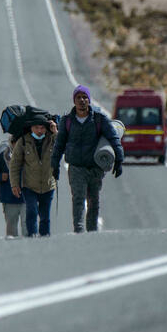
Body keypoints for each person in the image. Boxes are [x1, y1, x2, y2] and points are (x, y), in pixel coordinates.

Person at [50, 85, 124, 234]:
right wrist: (55, 165)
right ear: (74, 101)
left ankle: (92, 232)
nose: (82, 100)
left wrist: (119, 160)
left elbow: (113, 138)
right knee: (78, 199)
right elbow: (59, 144)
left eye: (85, 97)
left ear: (89, 100)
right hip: (76, 168)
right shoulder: (67, 121)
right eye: (79, 97)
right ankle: (79, 231)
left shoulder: (99, 119)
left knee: (94, 201)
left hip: (95, 168)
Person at [9, 117, 58, 237]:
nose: (39, 131)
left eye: (42, 128)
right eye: (36, 128)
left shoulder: (52, 140)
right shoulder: (23, 141)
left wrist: (55, 132)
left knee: (45, 215)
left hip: (48, 185)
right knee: (31, 211)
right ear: (31, 128)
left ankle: (45, 238)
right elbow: (15, 164)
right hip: (29, 186)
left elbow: (64, 147)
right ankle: (32, 236)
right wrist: (14, 184)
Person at [0, 136, 26, 237]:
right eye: (15, 143)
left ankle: (30, 250)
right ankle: (12, 250)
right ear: (11, 143)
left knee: (28, 229)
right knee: (11, 230)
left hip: (27, 198)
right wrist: (0, 176)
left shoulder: (30, 156)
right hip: (9, 199)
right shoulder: (2, 157)